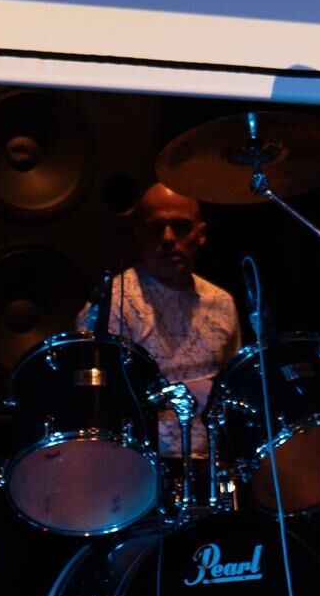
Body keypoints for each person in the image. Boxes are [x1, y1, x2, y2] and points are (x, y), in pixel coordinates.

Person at [80, 182, 242, 470]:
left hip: (213, 467)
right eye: (155, 229)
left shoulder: (222, 303)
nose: (168, 238)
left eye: (180, 227)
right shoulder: (113, 302)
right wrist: (184, 393)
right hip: (139, 466)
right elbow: (98, 401)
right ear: (139, 234)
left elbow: (236, 390)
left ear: (201, 234)